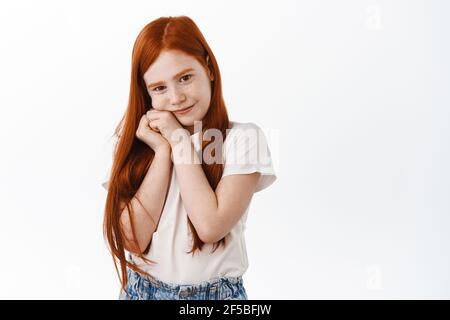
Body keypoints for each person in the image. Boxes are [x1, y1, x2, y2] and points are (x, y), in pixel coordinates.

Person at [102, 15, 277, 300]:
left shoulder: (242, 139)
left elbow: (210, 226)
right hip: (141, 292)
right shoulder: (140, 144)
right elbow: (133, 240)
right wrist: (162, 151)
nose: (176, 97)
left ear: (208, 67)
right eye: (159, 88)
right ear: (146, 93)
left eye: (185, 78)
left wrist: (180, 140)